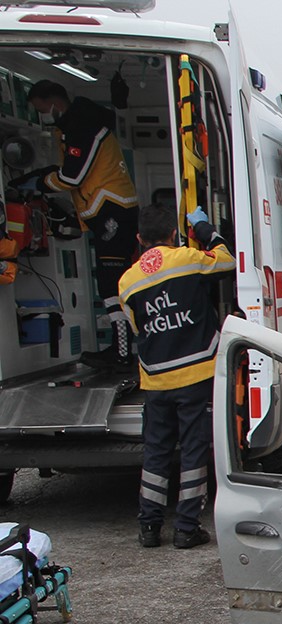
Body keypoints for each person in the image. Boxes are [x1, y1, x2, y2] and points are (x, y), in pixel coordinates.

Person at [118, 204, 233, 549]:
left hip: (155, 379)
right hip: (196, 373)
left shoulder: (127, 281)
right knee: (194, 452)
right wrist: (205, 230)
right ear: (173, 235)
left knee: (155, 452)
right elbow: (226, 260)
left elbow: (138, 327)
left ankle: (149, 527)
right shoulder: (187, 258)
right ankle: (186, 528)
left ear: (139, 239)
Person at [24, 80, 140, 369]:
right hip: (108, 210)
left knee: (111, 285)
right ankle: (120, 349)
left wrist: (41, 181)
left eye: (42, 109)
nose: (44, 116)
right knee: (110, 284)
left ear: (54, 102)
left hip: (112, 210)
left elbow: (73, 178)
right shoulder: (78, 124)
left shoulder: (81, 126)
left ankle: (123, 353)